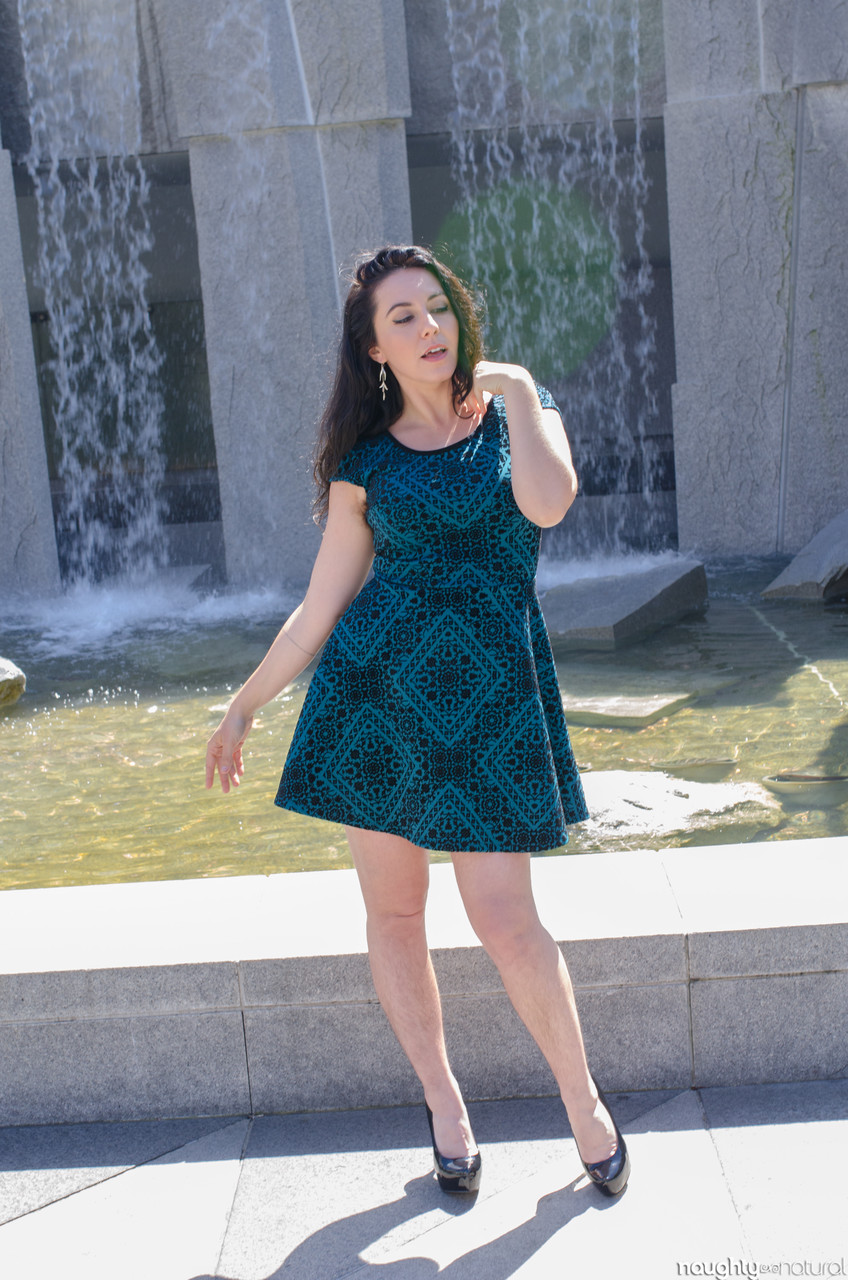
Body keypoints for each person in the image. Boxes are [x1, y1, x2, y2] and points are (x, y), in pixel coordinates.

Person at [205, 245, 630, 1198]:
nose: (429, 327)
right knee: (396, 912)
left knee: (506, 920)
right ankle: (443, 1103)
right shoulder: (363, 462)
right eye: (403, 317)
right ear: (374, 350)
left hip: (496, 699)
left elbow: (549, 504)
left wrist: (513, 386)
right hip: (378, 704)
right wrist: (245, 703)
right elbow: (319, 609)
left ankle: (583, 1104)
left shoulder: (521, 410)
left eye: (437, 307)